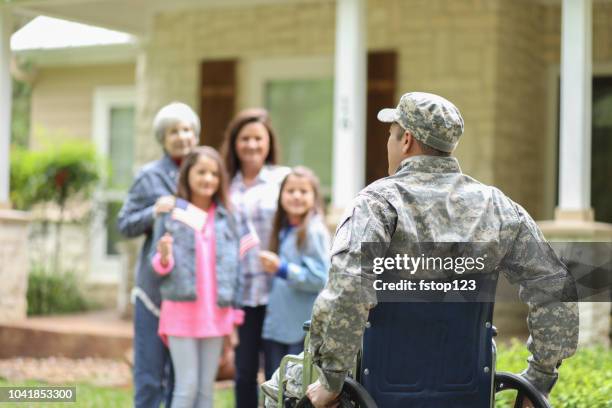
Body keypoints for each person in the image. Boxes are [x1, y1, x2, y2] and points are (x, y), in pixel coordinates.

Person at [305, 92, 579, 408]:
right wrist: (538, 380)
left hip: (378, 392)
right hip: (466, 391)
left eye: (390, 136)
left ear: (406, 140)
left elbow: (348, 291)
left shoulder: (376, 204)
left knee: (278, 387)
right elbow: (556, 286)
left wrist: (330, 381)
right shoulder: (496, 206)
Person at [117, 102, 199, 407]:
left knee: (182, 378)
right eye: (173, 131)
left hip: (191, 293)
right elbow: (124, 224)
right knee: (151, 375)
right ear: (163, 139)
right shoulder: (149, 176)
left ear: (196, 134)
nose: (182, 137)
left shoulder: (205, 172)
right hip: (153, 293)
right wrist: (153, 212)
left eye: (187, 130)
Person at [151, 146, 244, 408]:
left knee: (205, 390)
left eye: (214, 174)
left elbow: (235, 270)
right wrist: (165, 256)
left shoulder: (227, 217)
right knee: (186, 386)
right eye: (201, 172)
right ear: (187, 174)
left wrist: (234, 319)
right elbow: (156, 264)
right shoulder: (172, 211)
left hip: (216, 314)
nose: (208, 179)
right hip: (181, 312)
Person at [221, 108, 290, 407]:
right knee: (245, 372)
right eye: (244, 138)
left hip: (277, 290)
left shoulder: (283, 179)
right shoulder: (223, 183)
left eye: (257, 139)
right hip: (242, 295)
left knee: (280, 373)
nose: (251, 145)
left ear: (268, 142)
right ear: (235, 143)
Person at [259, 166, 330, 380]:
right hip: (278, 325)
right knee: (276, 388)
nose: (296, 196)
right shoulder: (283, 228)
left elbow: (320, 278)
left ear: (314, 197)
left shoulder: (313, 231)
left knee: (293, 390)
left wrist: (282, 269)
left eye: (303, 191)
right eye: (290, 191)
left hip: (299, 329)